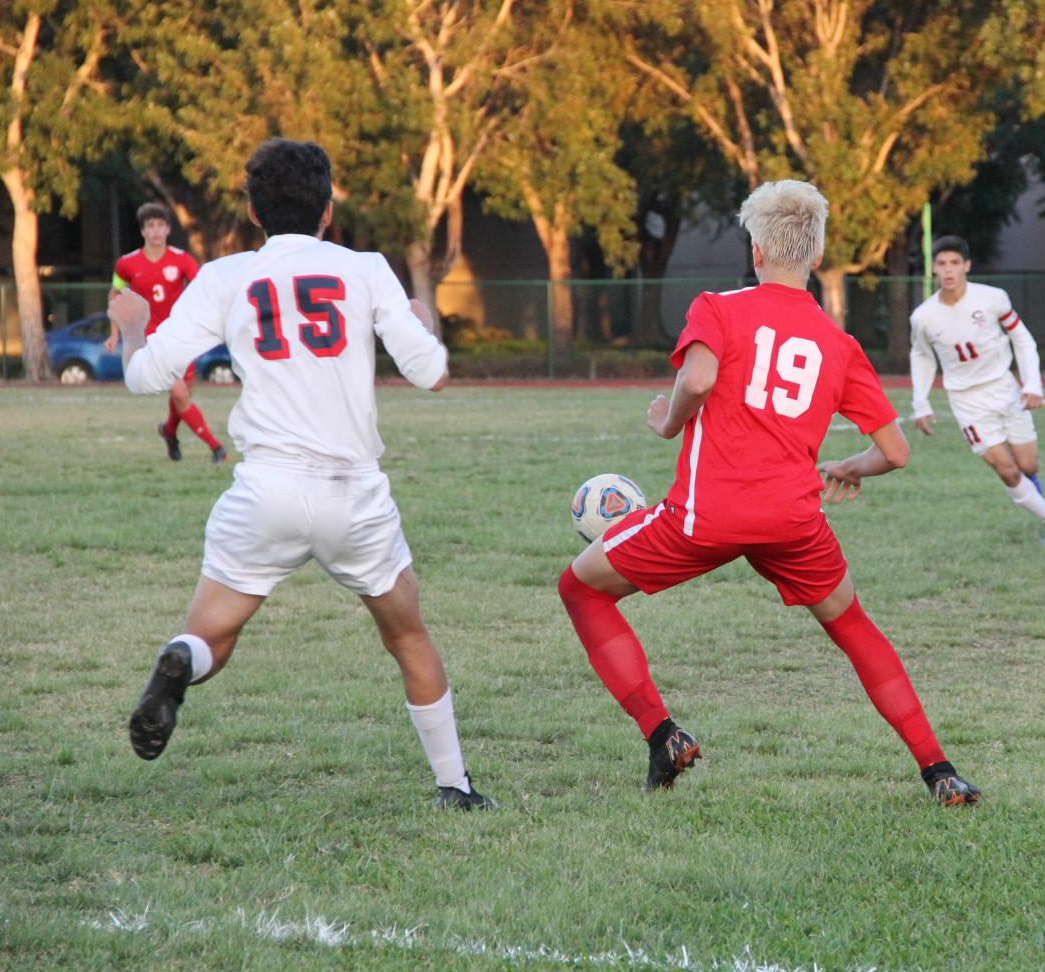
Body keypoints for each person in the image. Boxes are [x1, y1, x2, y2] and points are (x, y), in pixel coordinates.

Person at [556, 179, 981, 806]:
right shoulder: (840, 344)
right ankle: (939, 770)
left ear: (756, 253)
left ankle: (663, 733)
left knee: (580, 589)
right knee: (856, 628)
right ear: (816, 257)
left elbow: (697, 379)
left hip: (704, 518)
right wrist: (850, 467)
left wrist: (666, 422)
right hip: (792, 521)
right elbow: (896, 452)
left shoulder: (718, 306)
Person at [110, 138, 493, 810]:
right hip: (354, 492)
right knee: (407, 635)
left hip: (265, 489)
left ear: (254, 211)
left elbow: (148, 377)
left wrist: (136, 331)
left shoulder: (227, 276)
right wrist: (426, 326)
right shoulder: (365, 266)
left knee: (210, 637)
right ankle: (454, 786)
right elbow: (430, 373)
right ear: (328, 207)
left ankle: (179, 659)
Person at [910, 235, 1045, 544]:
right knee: (1006, 470)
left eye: (955, 262)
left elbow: (1022, 338)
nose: (949, 270)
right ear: (934, 270)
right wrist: (920, 402)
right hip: (966, 402)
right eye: (942, 264)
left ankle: (1033, 492)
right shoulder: (923, 317)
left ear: (967, 265)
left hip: (1005, 389)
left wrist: (1031, 384)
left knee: (1027, 464)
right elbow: (922, 355)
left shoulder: (993, 298)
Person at [105, 203, 227, 463]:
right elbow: (115, 293)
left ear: (168, 229)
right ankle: (217, 449)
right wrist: (115, 332)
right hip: (151, 340)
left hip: (181, 335)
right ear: (143, 231)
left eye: (160, 225)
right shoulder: (127, 263)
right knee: (180, 394)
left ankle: (169, 432)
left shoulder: (182, 259)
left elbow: (199, 289)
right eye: (150, 226)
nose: (156, 231)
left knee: (182, 397)